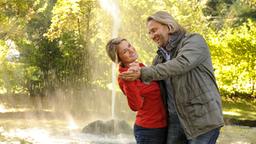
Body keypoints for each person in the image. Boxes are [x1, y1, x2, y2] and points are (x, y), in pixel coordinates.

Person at [120, 11, 224, 144]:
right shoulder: (159, 58)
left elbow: (180, 64)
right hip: (175, 121)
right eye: (149, 33)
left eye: (154, 30)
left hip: (202, 119)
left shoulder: (194, 41)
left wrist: (142, 73)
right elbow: (151, 87)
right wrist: (131, 75)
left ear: (169, 26)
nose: (152, 36)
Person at [106, 38, 167, 144]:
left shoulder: (140, 67)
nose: (131, 50)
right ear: (119, 59)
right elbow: (135, 105)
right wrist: (129, 81)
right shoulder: (125, 77)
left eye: (129, 45)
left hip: (162, 126)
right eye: (124, 51)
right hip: (149, 131)